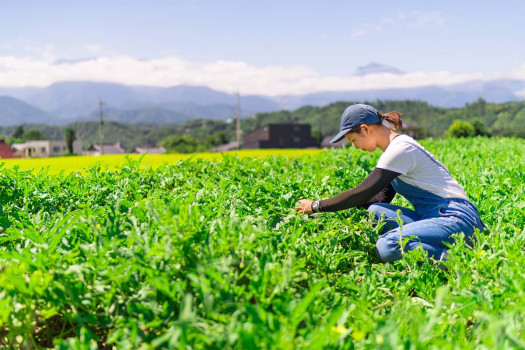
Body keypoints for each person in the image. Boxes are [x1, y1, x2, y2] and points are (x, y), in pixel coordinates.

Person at [295, 104, 484, 263]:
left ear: (365, 129)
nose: (355, 147)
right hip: (435, 217)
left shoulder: (400, 149)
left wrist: (317, 206)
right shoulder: (395, 152)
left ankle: (460, 261)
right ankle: (447, 251)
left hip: (456, 218)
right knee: (375, 212)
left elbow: (363, 191)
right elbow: (372, 199)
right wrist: (335, 218)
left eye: (353, 140)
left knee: (388, 245)